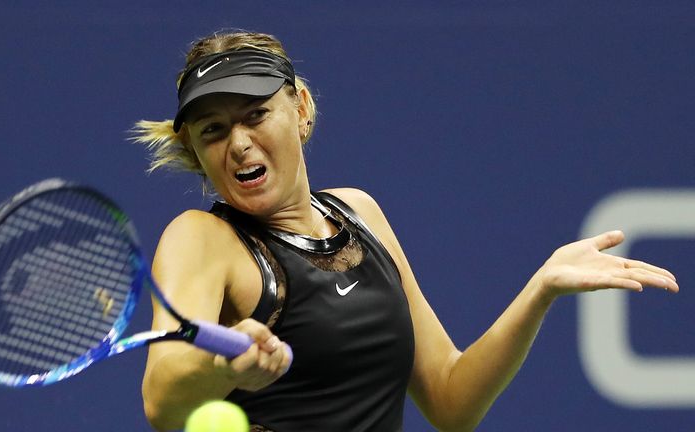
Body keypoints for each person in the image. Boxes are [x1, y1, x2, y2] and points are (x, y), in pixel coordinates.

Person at [132, 31, 679, 432]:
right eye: (214, 130)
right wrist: (222, 363)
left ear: (299, 108)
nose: (240, 143)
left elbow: (450, 399)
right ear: (198, 155)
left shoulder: (358, 212)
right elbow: (162, 395)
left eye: (255, 114)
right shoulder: (201, 238)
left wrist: (540, 290)